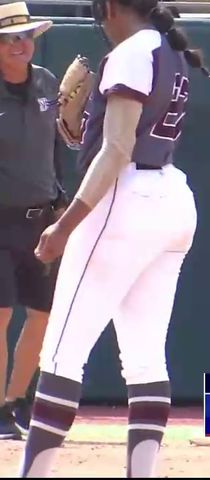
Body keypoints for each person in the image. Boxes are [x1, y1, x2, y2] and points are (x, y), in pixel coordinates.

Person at [18, 0, 210, 475]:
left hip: (125, 202)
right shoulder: (168, 48)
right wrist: (82, 132)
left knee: (62, 353)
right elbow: (122, 138)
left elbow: (118, 149)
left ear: (108, 7)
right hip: (169, 197)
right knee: (145, 359)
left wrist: (64, 226)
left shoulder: (130, 51)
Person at [0, 1, 69, 441]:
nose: (20, 44)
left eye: (26, 36)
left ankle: (15, 402)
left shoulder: (47, 83)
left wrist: (61, 202)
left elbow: (56, 147)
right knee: (1, 312)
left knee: (41, 315)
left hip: (41, 219)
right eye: (9, 38)